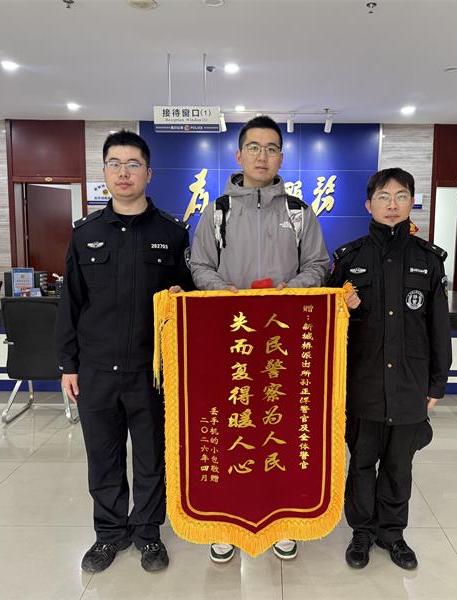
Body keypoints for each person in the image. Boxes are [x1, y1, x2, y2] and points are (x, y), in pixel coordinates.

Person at [189, 115, 329, 563]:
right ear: (239, 155)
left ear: (282, 158)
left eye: (271, 148)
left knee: (279, 430)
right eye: (254, 147)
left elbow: (319, 265)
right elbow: (199, 266)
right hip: (230, 340)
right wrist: (222, 293)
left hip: (281, 344)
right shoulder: (217, 211)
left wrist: (291, 291)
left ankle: (283, 522)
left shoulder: (299, 212)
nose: (262, 156)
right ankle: (225, 524)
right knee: (233, 427)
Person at [54, 130, 193, 574]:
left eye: (133, 164)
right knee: (104, 456)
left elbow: (190, 300)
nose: (124, 173)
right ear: (104, 173)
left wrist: (183, 297)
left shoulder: (172, 233)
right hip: (96, 369)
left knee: (151, 457)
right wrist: (68, 365)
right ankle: (109, 534)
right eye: (115, 164)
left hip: (152, 371)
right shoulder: (85, 234)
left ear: (149, 173)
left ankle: (148, 532)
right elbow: (71, 302)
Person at [327, 167, 452, 571]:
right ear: (369, 204)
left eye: (401, 196)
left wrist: (437, 383)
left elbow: (439, 328)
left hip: (410, 384)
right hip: (362, 384)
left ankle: (392, 533)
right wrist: (345, 310)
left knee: (399, 466)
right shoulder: (349, 259)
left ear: (412, 202)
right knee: (362, 463)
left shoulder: (428, 260)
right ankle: (361, 533)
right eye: (384, 196)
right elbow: (328, 329)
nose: (392, 204)